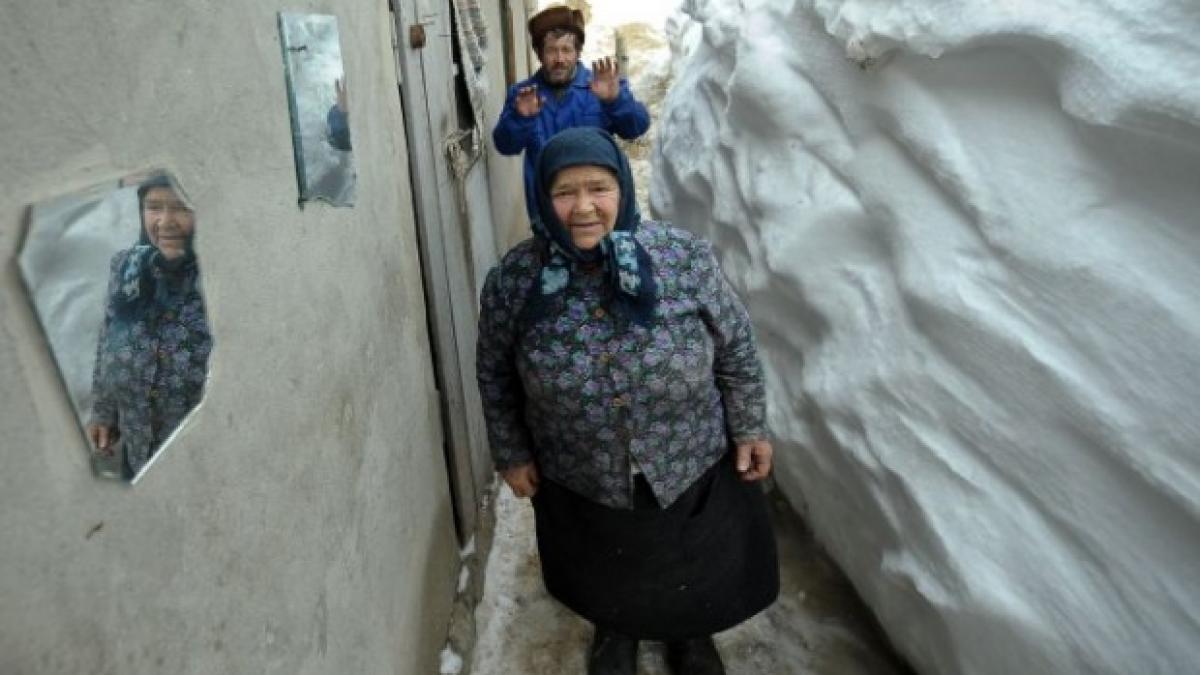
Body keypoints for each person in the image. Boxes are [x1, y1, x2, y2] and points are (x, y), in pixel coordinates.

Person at [476, 127, 779, 675]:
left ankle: (692, 631)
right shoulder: (516, 280)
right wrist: (511, 451)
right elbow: (495, 371)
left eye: (599, 187)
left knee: (692, 554)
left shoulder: (682, 257)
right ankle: (615, 627)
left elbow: (735, 346)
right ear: (543, 198)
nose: (584, 207)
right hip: (581, 467)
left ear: (623, 190)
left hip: (689, 456)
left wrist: (751, 427)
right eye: (565, 192)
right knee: (605, 560)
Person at [87, 176, 212, 480]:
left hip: (202, 452)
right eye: (154, 207)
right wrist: (105, 412)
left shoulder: (223, 273)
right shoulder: (126, 266)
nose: (166, 221)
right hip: (138, 442)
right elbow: (109, 337)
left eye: (181, 208)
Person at [492, 4, 650, 216]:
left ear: (577, 53)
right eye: (551, 51)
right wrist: (520, 118)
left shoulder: (603, 86)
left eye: (566, 50)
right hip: (549, 213)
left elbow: (637, 128)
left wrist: (615, 101)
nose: (559, 59)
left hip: (603, 208)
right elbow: (505, 146)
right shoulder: (523, 94)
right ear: (539, 53)